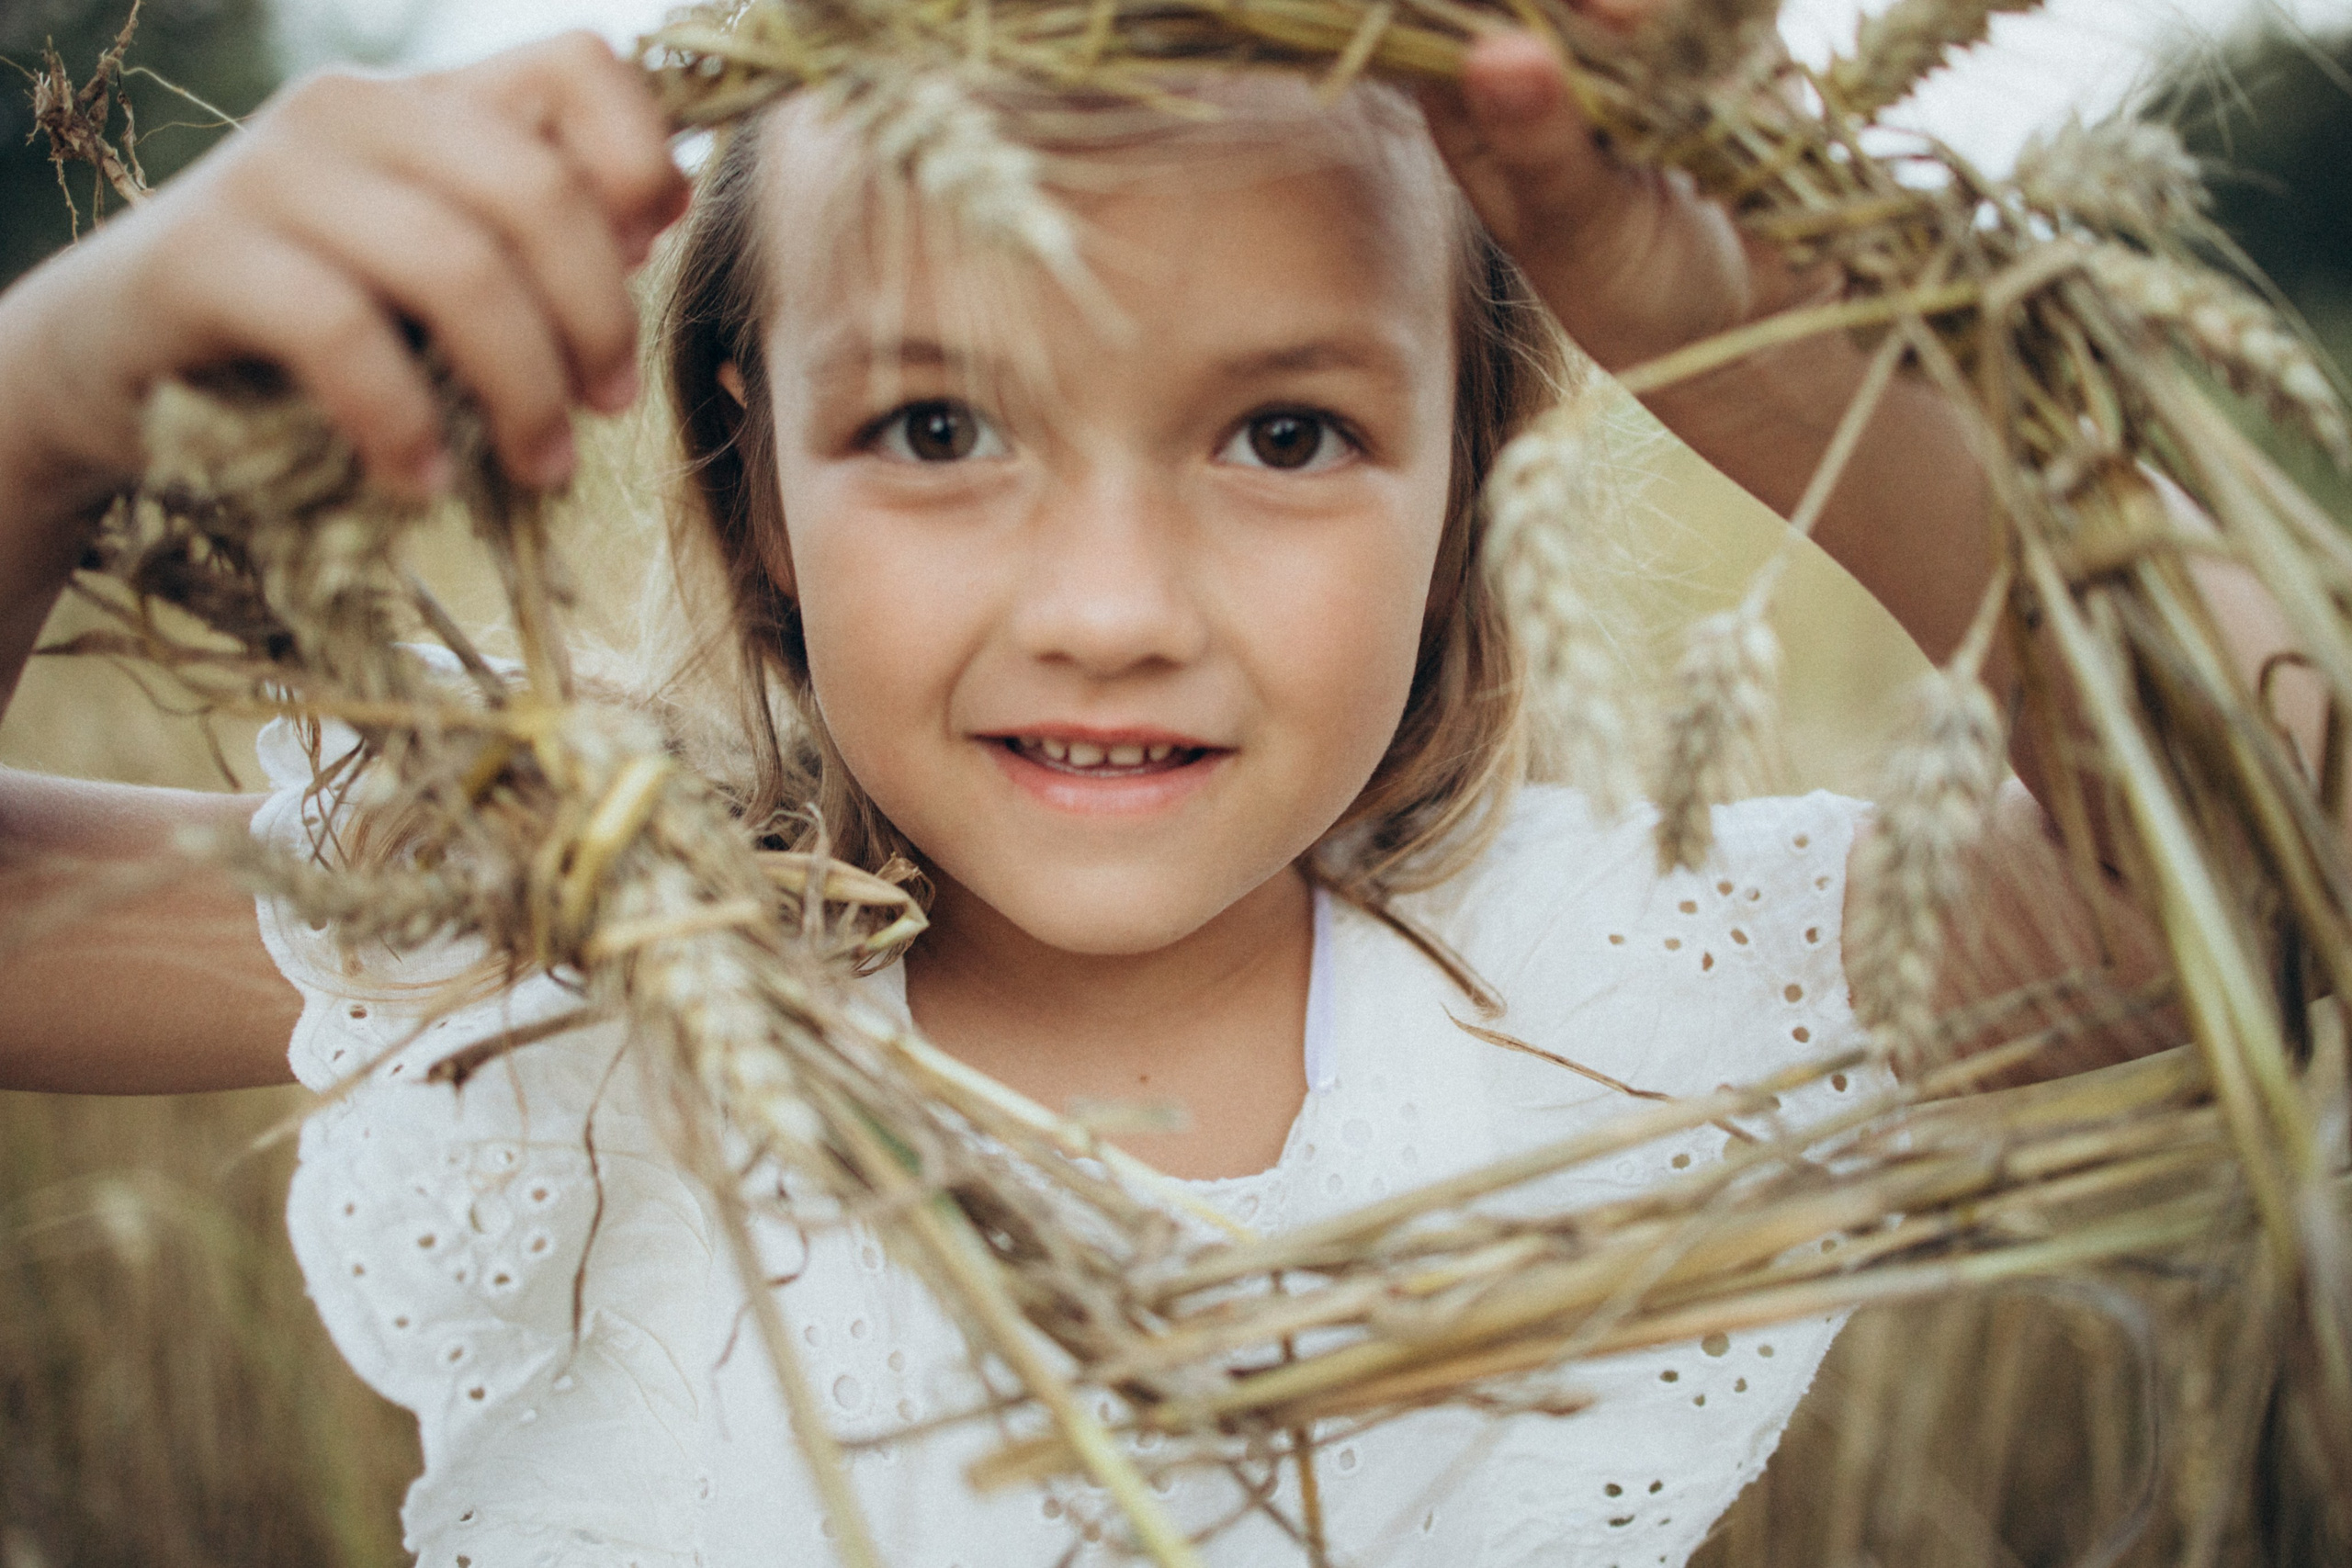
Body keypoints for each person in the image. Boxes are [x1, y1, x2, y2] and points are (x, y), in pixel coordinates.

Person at [0, 10, 2287, 1566]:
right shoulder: (582, 942)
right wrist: (51, 398)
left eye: (1285, 432)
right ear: (756, 483)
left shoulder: (1609, 995)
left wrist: (1735, 314)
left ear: (1469, 485)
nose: (1107, 607)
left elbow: (2280, 843)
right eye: (934, 426)